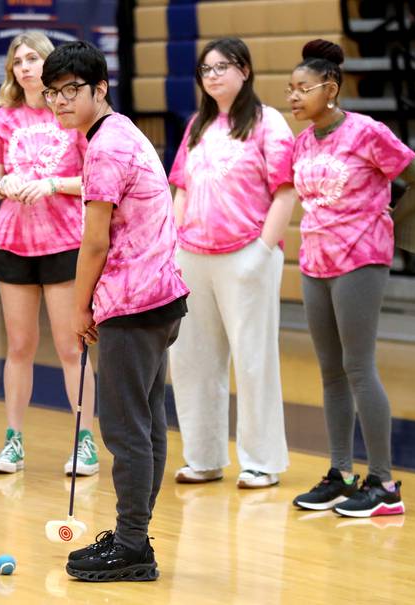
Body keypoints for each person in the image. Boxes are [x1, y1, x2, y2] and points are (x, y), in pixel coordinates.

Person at [41, 41, 189, 582]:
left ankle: (131, 546)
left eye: (70, 91)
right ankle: (135, 537)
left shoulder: (104, 149)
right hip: (161, 296)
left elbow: (95, 243)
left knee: (126, 429)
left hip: (133, 300)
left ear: (99, 88)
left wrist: (80, 308)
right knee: (146, 423)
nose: (59, 102)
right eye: (52, 93)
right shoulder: (124, 132)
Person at [286, 40, 415, 517]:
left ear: (329, 89)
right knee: (330, 373)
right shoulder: (302, 141)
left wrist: (392, 220)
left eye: (302, 88)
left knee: (358, 368)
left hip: (360, 260)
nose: (292, 97)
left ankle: (384, 484)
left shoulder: (367, 132)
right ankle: (340, 473)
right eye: (289, 89)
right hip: (314, 263)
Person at [167, 38, 295, 489]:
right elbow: (180, 189)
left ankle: (261, 461)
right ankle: (203, 457)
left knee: (253, 359)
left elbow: (286, 189)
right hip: (192, 255)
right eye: (206, 69)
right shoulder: (196, 127)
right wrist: (172, 248)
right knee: (191, 359)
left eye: (223, 66)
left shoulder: (268, 123)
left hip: (247, 254)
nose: (214, 75)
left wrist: (262, 250)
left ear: (245, 70)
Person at [0, 32, 99, 477]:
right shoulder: (4, 120)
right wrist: (4, 184)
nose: (26, 66)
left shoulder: (72, 116)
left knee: (71, 347)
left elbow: (96, 181)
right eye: (19, 60)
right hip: (13, 242)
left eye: (34, 58)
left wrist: (53, 184)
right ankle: (13, 442)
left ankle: (85, 442)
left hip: (66, 243)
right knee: (20, 346)